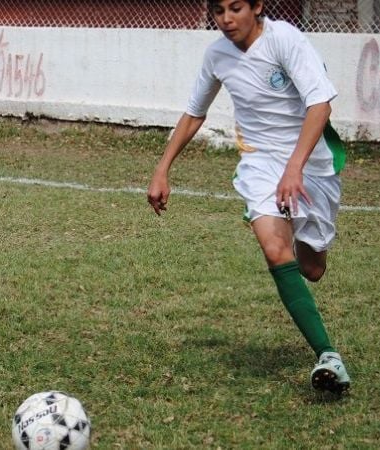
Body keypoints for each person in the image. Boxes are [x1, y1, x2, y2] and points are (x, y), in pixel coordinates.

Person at [147, 0, 350, 393]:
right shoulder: (217, 54)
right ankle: (328, 355)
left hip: (311, 163)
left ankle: (303, 241)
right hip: (259, 163)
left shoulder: (285, 40)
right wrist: (162, 168)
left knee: (312, 269)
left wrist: (294, 168)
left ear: (257, 6)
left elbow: (320, 103)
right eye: (218, 10)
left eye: (236, 8)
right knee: (275, 250)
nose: (226, 19)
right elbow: (194, 113)